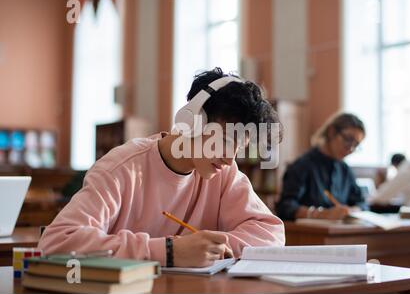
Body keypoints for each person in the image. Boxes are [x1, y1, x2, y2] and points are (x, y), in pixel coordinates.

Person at [38, 68, 285, 268]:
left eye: (238, 149)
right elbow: (57, 242)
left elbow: (272, 234)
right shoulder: (122, 168)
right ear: (192, 121)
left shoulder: (224, 173)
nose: (230, 159)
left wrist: (212, 246)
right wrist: (168, 251)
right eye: (225, 142)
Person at [276, 113, 366, 221]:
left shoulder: (345, 170)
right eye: (348, 139)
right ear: (331, 132)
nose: (351, 148)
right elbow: (285, 207)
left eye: (356, 145)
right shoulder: (302, 165)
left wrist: (354, 211)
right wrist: (322, 214)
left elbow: (362, 203)